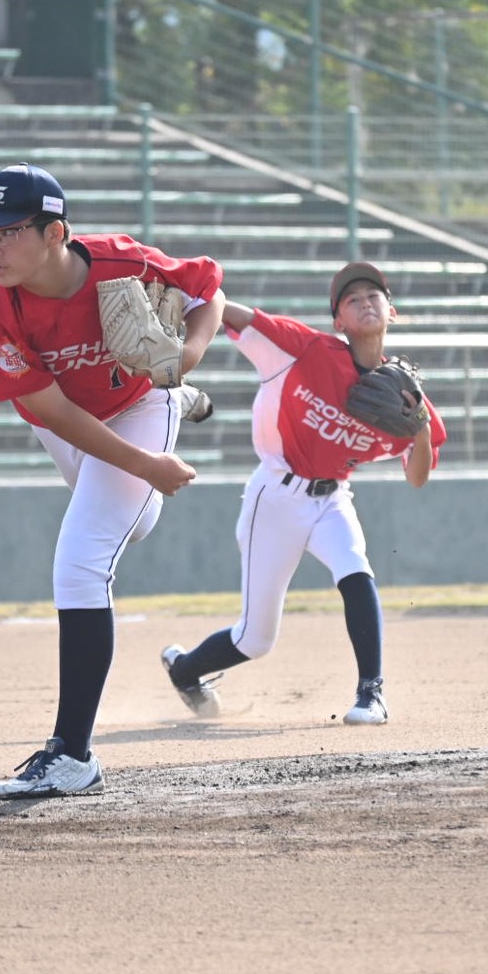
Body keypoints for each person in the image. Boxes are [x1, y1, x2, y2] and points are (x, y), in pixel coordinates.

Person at [0, 162, 225, 800]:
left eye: (7, 231)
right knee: (138, 515)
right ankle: (175, 420)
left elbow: (208, 292)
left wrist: (182, 362)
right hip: (67, 421)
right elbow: (52, 411)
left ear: (56, 233)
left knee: (81, 560)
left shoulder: (118, 261)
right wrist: (149, 467)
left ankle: (73, 755)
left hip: (138, 402)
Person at [159, 262, 447, 727]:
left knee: (355, 567)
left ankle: (371, 693)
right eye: (351, 299)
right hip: (275, 497)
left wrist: (418, 435)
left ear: (391, 310)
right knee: (256, 639)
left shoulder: (408, 400)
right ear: (339, 322)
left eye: (374, 295)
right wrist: (189, 300)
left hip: (333, 498)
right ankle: (186, 669)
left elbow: (417, 477)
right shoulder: (307, 350)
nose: (365, 301)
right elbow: (235, 315)